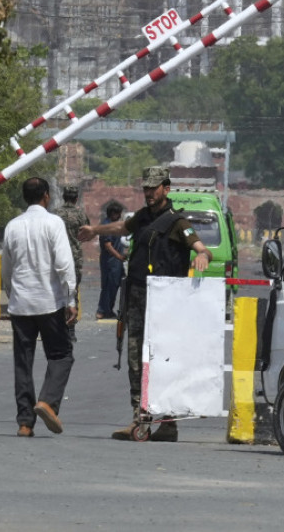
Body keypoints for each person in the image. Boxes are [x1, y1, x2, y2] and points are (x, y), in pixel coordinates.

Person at [79, 166, 212, 442]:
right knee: (136, 358)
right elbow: (121, 226)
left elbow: (200, 246)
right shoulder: (143, 217)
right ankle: (140, 417)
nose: (149, 193)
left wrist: (203, 257)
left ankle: (167, 421)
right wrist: (94, 230)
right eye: (146, 188)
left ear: (166, 188)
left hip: (166, 301)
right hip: (138, 296)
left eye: (154, 188)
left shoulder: (177, 222)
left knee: (165, 359)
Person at [1, 177, 77, 437]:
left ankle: (24, 422)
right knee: (61, 355)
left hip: (21, 304)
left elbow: (6, 269)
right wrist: (71, 300)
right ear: (46, 196)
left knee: (23, 362)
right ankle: (47, 402)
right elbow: (64, 266)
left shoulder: (12, 226)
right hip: (49, 302)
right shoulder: (54, 223)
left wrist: (12, 296)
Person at [54, 183, 90, 338]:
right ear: (76, 198)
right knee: (72, 290)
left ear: (64, 197)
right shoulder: (80, 214)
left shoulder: (55, 214)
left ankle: (57, 327)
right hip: (74, 257)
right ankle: (70, 329)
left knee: (55, 290)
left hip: (56, 257)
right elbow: (88, 232)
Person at [96, 202, 126, 320]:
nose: (119, 216)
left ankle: (108, 310)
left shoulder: (113, 225)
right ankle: (101, 310)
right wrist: (120, 257)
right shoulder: (106, 226)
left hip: (116, 262)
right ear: (113, 213)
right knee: (108, 286)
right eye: (118, 214)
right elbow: (108, 246)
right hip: (110, 261)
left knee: (114, 285)